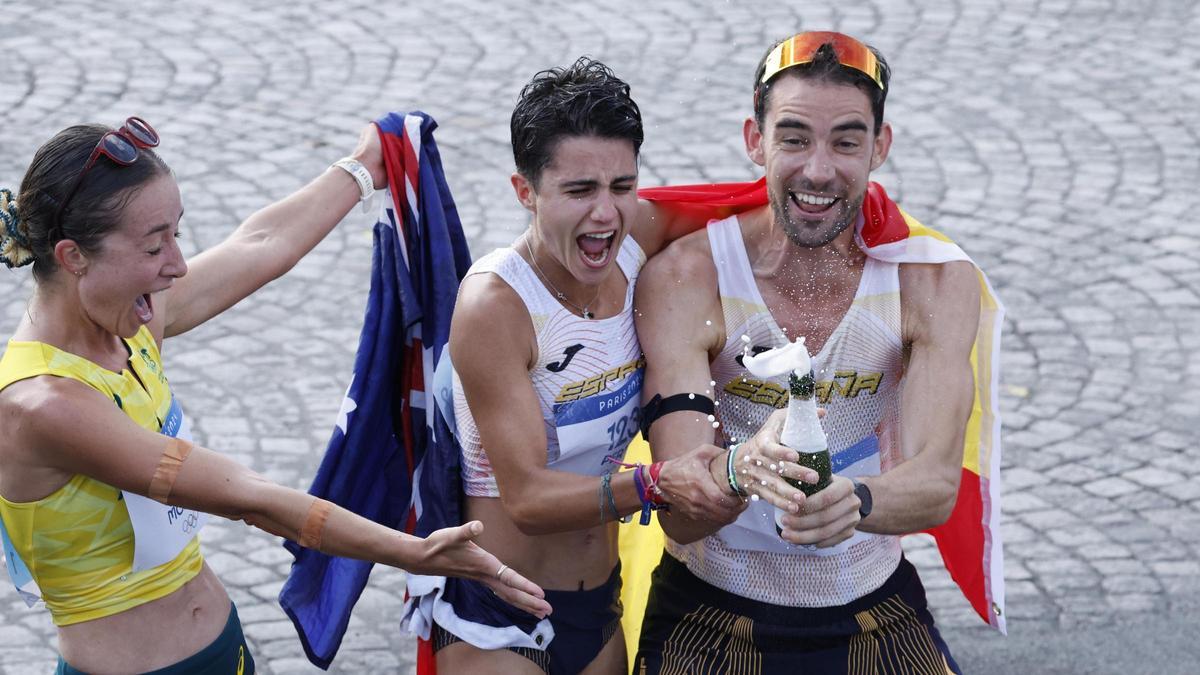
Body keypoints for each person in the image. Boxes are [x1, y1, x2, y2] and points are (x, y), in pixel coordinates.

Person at [0, 117, 551, 674]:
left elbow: (261, 243)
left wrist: (364, 167)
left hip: (225, 650)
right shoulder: (44, 406)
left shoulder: (127, 321)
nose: (178, 264)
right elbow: (248, 495)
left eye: (177, 233)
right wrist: (415, 551)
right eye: (153, 246)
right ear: (73, 257)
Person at [631, 31, 1005, 674]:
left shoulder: (933, 280)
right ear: (756, 140)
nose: (819, 169)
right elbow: (682, 517)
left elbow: (935, 486)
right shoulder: (688, 279)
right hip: (712, 608)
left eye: (847, 141)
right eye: (795, 137)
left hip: (872, 606)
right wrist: (742, 467)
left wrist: (856, 500)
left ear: (880, 147)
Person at [421, 57, 809, 675]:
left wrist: (866, 216)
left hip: (600, 608)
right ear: (525, 191)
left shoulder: (633, 241)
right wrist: (656, 484)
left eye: (622, 186)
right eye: (579, 191)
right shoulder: (497, 305)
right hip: (500, 618)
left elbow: (762, 212)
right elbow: (526, 497)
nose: (605, 213)